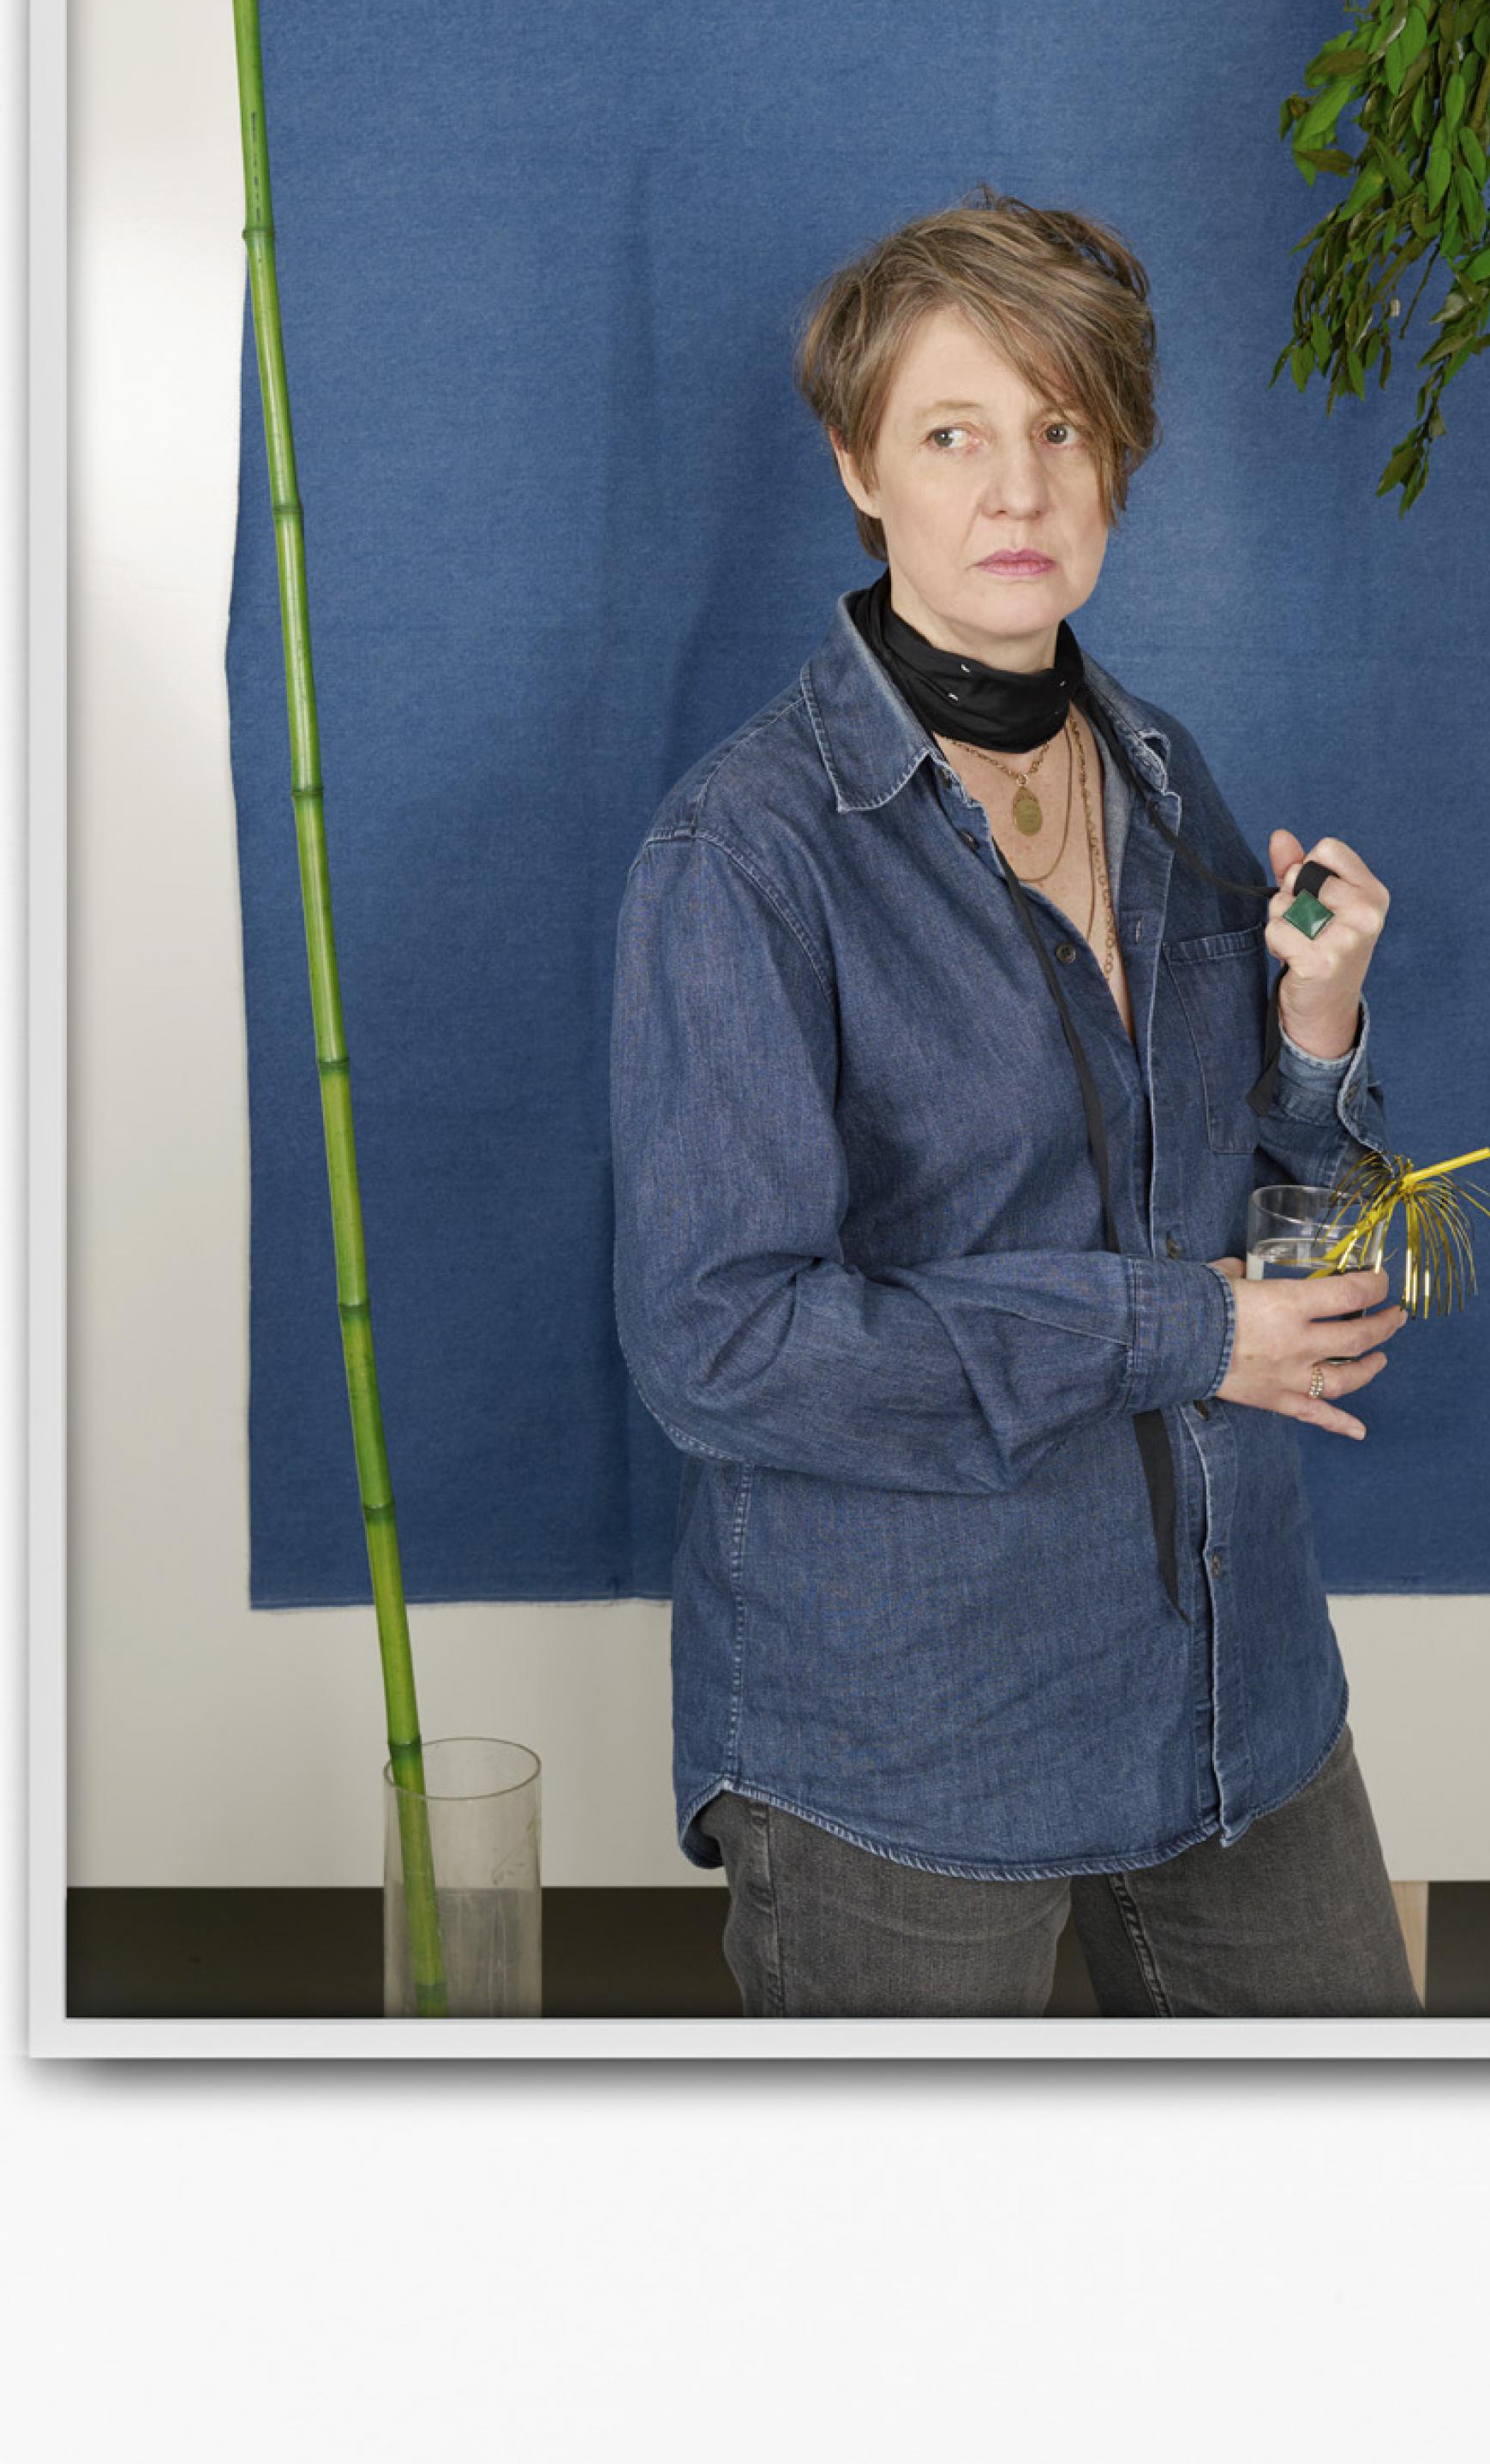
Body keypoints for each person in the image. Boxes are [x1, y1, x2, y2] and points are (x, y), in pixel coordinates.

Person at [608, 189, 1421, 2017]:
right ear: (858, 468)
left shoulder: (1163, 775)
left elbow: (1261, 1223)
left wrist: (1317, 1031)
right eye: (952, 436)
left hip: (1233, 1703)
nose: (1020, 492)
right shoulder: (744, 857)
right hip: (910, 1748)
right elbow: (722, 1350)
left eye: (1061, 428)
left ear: (1118, 458)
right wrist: (1183, 1330)